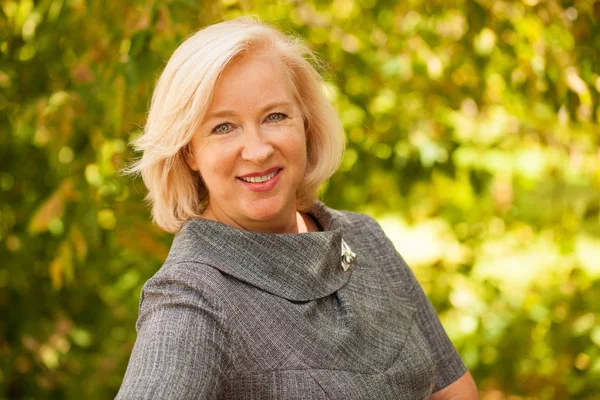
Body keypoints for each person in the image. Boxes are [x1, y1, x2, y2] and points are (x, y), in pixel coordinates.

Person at [117, 17, 478, 399]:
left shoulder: (364, 238)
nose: (257, 150)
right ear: (189, 151)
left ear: (305, 124)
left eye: (275, 117)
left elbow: (455, 390)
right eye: (223, 127)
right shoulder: (193, 297)